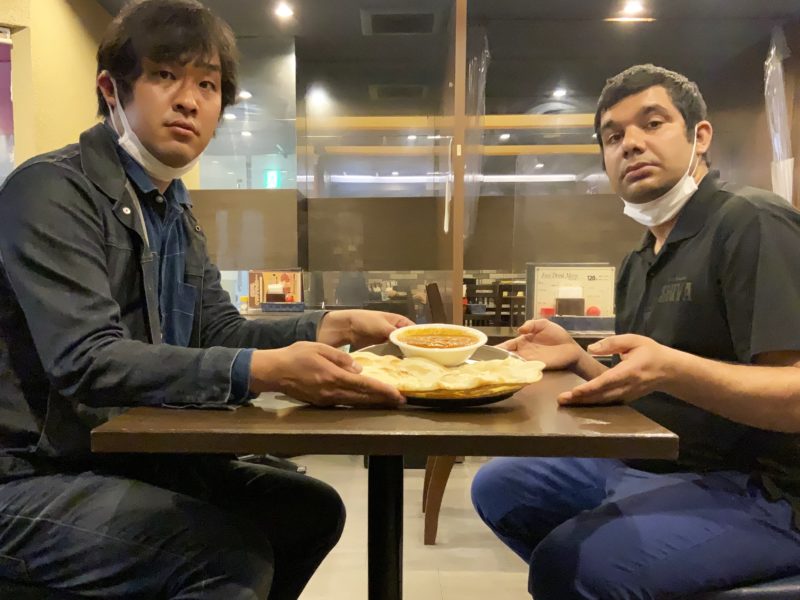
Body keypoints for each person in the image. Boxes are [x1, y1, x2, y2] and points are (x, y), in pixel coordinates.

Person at [0, 1, 410, 598]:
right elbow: (87, 359)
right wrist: (264, 370)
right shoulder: (51, 191)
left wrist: (329, 327)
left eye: (208, 85)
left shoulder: (172, 207)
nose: (189, 100)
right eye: (165, 75)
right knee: (224, 559)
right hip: (27, 473)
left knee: (308, 510)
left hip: (119, 457)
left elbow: (218, 329)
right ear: (111, 90)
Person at [472, 64, 800, 599]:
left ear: (699, 136)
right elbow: (649, 386)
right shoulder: (640, 259)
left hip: (766, 489)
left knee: (571, 563)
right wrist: (578, 358)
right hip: (662, 462)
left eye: (652, 123)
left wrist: (673, 368)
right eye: (613, 137)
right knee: (502, 485)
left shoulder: (751, 221)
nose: (630, 144)